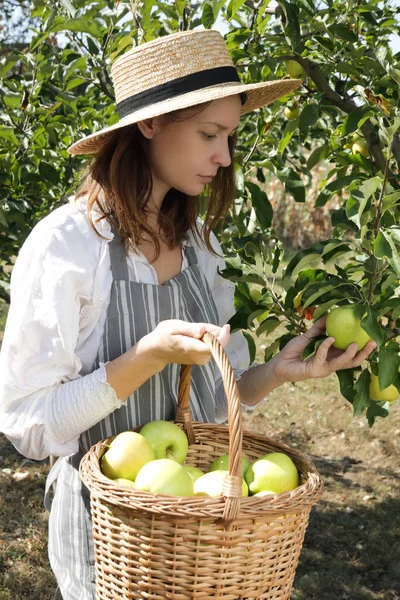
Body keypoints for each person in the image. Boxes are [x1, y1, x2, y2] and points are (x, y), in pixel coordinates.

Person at [0, 29, 376, 600]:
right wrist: (146, 357)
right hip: (113, 540)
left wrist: (276, 373)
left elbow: (216, 392)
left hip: (203, 540)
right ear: (150, 124)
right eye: (209, 134)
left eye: (229, 137)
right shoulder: (67, 247)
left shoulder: (200, 244)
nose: (224, 156)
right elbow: (28, 423)